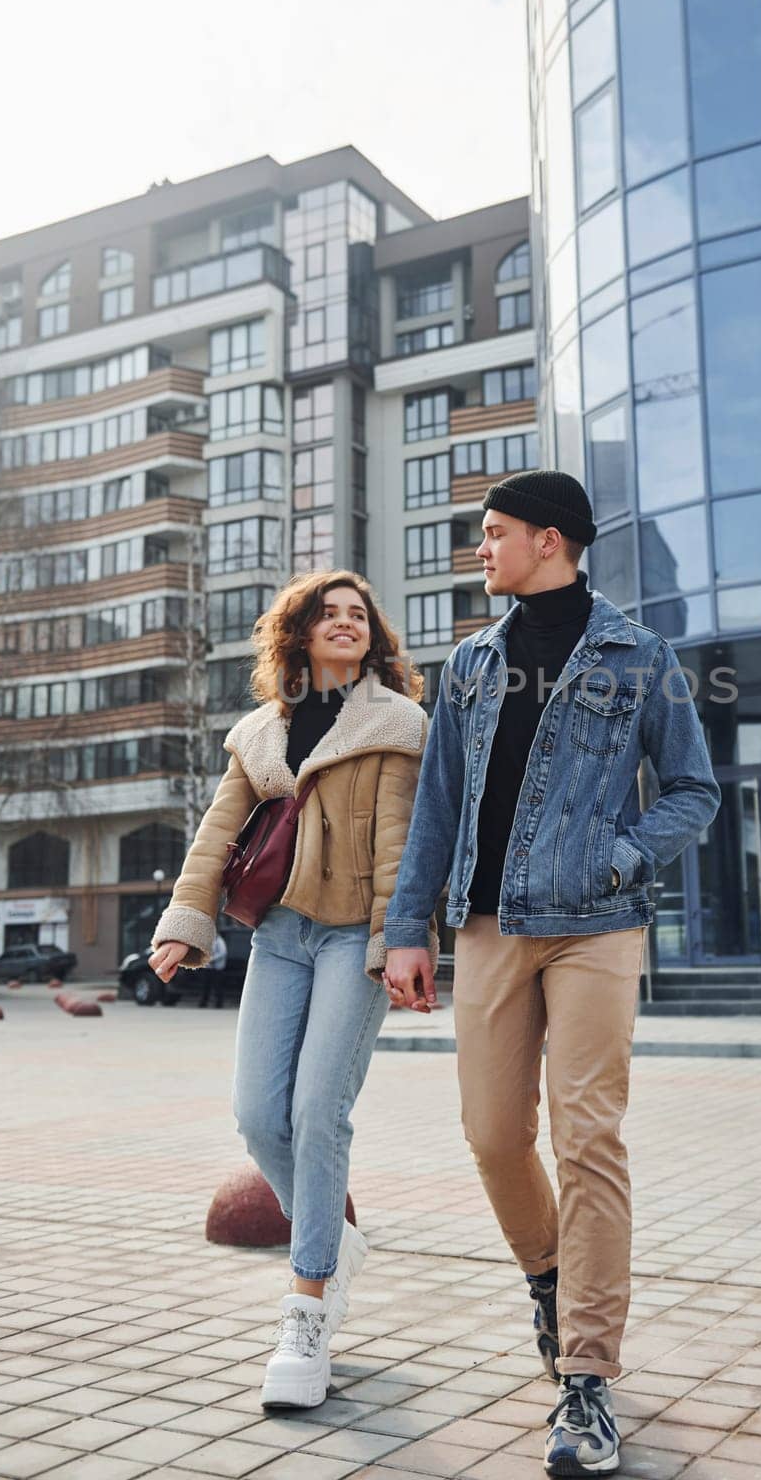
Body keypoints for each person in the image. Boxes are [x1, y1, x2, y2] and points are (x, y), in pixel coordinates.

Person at [382, 470, 720, 1477]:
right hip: (488, 927)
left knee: (587, 1137)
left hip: (595, 927)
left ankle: (585, 1376)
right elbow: (438, 805)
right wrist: (411, 927)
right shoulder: (472, 663)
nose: (479, 549)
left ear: (550, 539)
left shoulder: (639, 655)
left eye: (492, 533)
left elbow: (692, 790)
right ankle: (546, 1274)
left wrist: (617, 853)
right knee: (491, 1133)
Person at [149, 570, 436, 1411]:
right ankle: (335, 1241)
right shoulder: (259, 731)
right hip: (277, 939)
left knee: (318, 1113)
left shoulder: (398, 723)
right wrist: (183, 921)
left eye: (357, 615)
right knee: (255, 1116)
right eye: (327, 613)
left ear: (373, 637)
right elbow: (214, 837)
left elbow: (397, 845)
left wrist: (395, 942)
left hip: (354, 940)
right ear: (299, 632)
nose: (343, 623)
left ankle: (307, 1308)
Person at [198, 929, 227, 1009]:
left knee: (217, 986)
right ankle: (203, 1003)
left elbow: (223, 953)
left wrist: (212, 959)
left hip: (217, 968)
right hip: (208, 968)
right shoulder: (208, 941)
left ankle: (219, 1004)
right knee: (205, 986)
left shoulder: (219, 941)